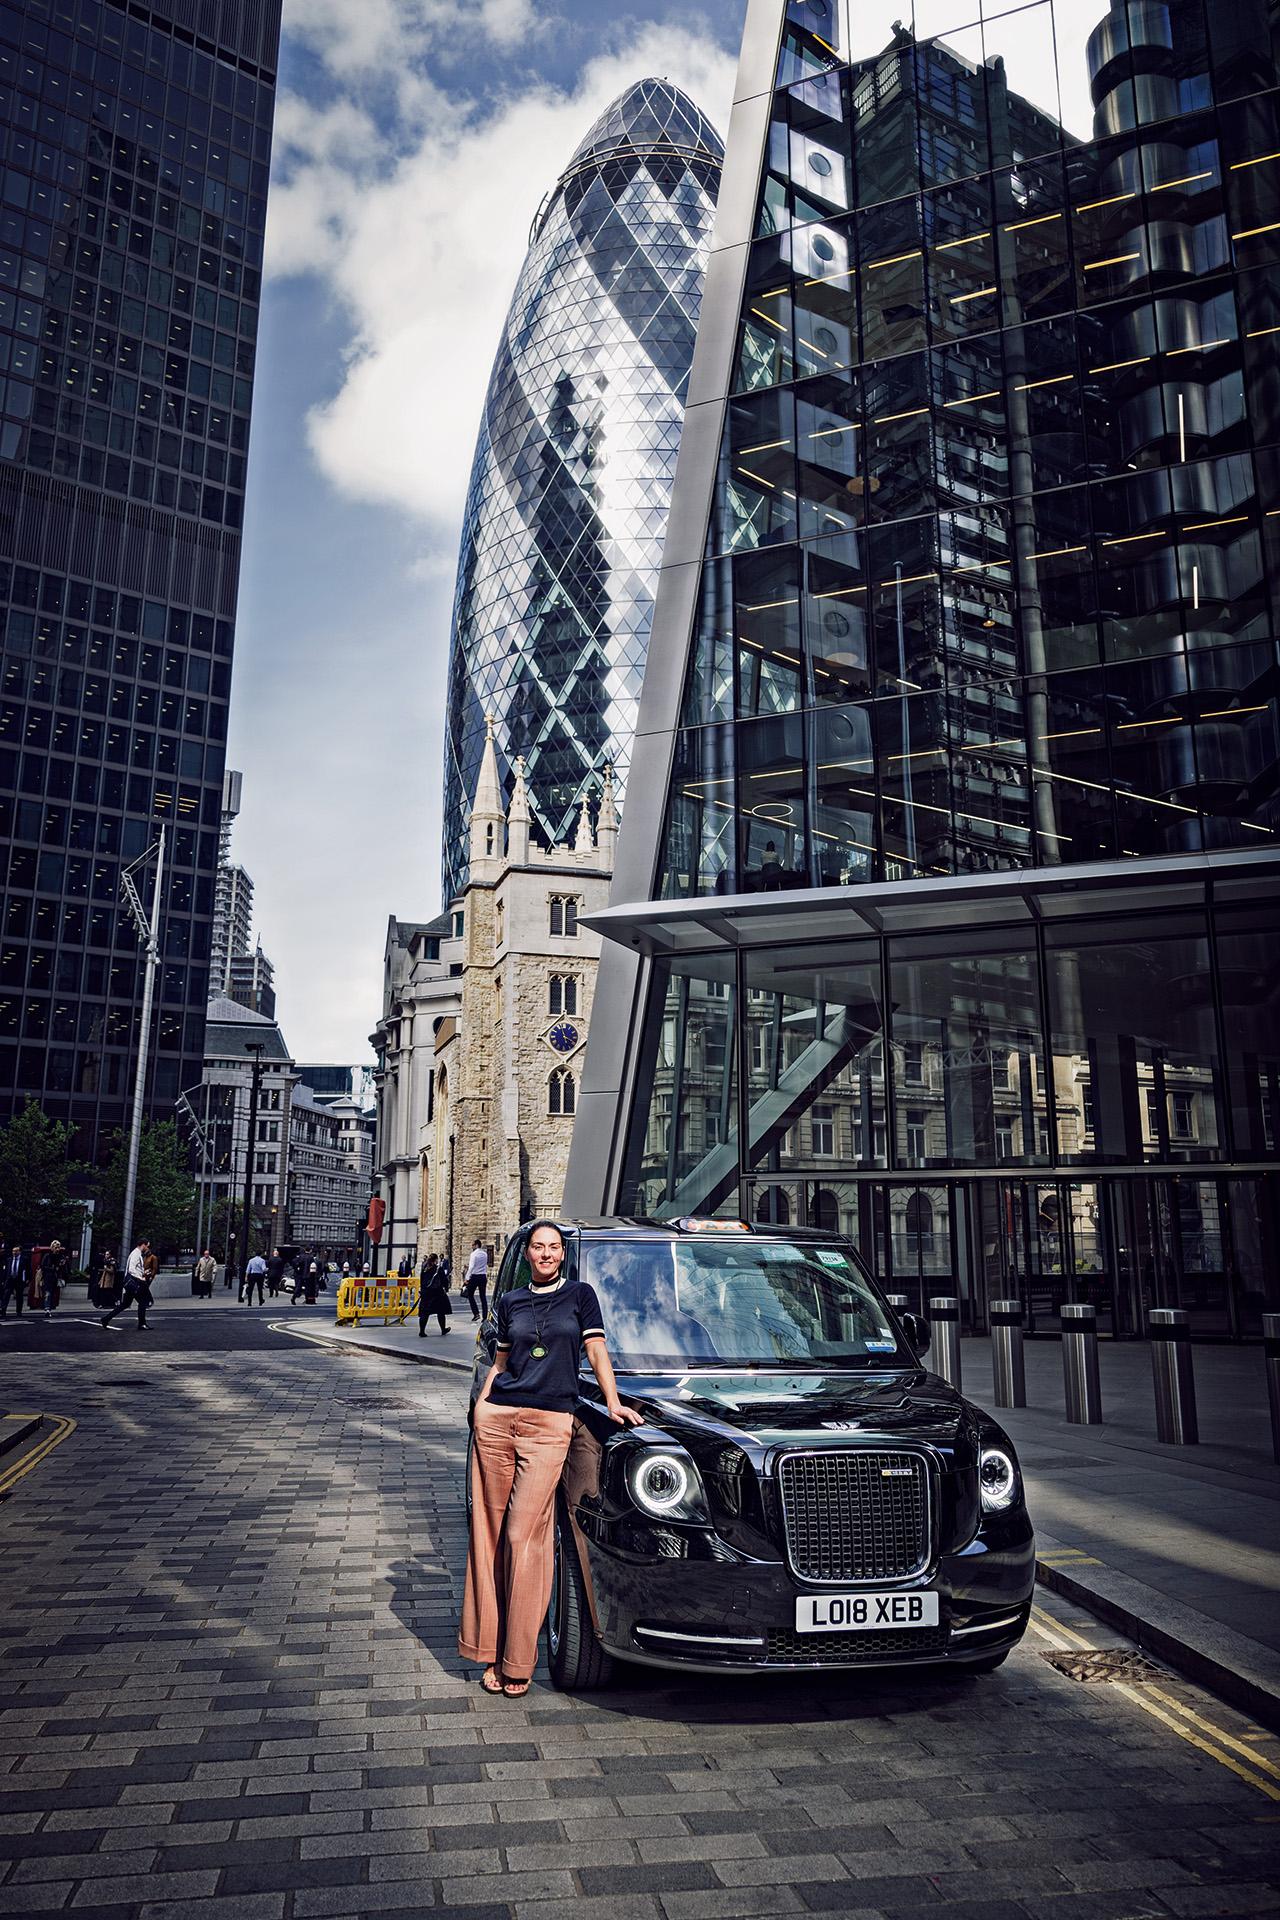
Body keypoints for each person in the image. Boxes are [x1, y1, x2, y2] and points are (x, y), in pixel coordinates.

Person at [459, 1220, 641, 1697]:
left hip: (549, 1425)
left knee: (525, 1536)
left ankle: (518, 1661)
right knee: (490, 1536)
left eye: (552, 1247)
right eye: (537, 1247)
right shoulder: (511, 1301)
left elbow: (596, 1350)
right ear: (528, 1255)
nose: (544, 1254)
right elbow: (500, 1362)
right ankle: (489, 1652)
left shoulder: (581, 1297)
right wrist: (482, 1405)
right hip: (498, 1421)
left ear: (562, 1253)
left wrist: (614, 1400)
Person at [102, 1238, 152, 1331]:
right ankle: (142, 1324)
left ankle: (106, 1319)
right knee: (143, 1302)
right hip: (134, 1283)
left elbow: (134, 1269)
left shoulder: (136, 1253)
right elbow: (131, 1269)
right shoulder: (136, 1254)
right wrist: (141, 1278)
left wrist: (144, 1272)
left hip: (131, 1284)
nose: (147, 1248)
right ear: (143, 1245)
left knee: (125, 1304)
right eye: (147, 1246)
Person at [419, 1254, 450, 1338]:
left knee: (424, 1313)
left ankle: (422, 1331)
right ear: (435, 1260)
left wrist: (422, 1290)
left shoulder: (424, 1268)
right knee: (441, 1312)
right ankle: (443, 1329)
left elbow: (421, 1280)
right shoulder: (438, 1269)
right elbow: (444, 1280)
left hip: (426, 1293)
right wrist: (446, 1288)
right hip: (437, 1293)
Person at [41, 1240, 70, 1317]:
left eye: (58, 1247)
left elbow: (64, 1268)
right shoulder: (47, 1256)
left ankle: (50, 1307)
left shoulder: (61, 1256)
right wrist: (53, 1268)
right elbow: (43, 1266)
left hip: (56, 1278)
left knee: (53, 1293)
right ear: (52, 1248)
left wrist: (62, 1266)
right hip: (48, 1277)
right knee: (48, 1293)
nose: (57, 1249)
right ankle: (47, 1308)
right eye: (56, 1247)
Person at [463, 1239, 490, 1321]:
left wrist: (466, 1278)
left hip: (475, 1276)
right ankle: (485, 1316)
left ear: (476, 1245)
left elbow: (471, 1267)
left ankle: (476, 1313)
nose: (472, 1246)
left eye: (473, 1245)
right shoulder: (485, 1254)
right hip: (482, 1276)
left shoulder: (473, 1254)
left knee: (470, 1295)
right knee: (483, 1296)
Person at [2, 1244, 29, 1317]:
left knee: (19, 1296)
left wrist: (27, 1279)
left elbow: (28, 1270)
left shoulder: (24, 1259)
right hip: (9, 1279)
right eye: (13, 1251)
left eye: (16, 1251)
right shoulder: (9, 1259)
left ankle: (19, 1311)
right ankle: (3, 1310)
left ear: (20, 1252)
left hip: (19, 1279)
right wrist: (4, 1279)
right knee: (6, 1295)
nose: (14, 1253)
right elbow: (6, 1270)